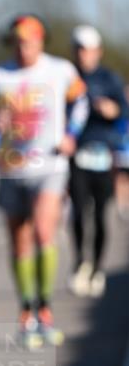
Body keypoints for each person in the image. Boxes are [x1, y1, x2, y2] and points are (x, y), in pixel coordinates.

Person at [0, 14, 88, 348]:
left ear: (40, 40)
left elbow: (81, 101)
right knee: (20, 240)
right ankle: (26, 307)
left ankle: (45, 308)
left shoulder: (60, 70)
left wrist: (71, 134)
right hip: (12, 167)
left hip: (50, 166)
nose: (23, 46)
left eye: (29, 40)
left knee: (45, 231)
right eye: (17, 40)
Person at [68, 25, 128, 297]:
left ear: (98, 52)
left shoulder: (110, 78)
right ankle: (81, 260)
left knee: (102, 215)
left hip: (104, 153)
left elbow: (123, 111)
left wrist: (112, 109)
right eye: (79, 49)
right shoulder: (68, 77)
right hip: (77, 154)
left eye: (89, 50)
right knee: (79, 212)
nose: (84, 55)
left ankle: (98, 268)